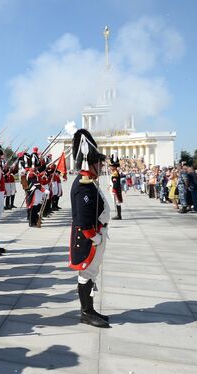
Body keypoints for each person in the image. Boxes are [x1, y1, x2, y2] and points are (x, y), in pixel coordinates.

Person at [68, 128, 110, 328]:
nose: (101, 165)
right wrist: (96, 238)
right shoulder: (83, 185)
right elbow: (84, 220)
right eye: (99, 162)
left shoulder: (90, 182)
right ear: (90, 162)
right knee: (86, 274)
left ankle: (90, 309)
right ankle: (86, 312)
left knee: (91, 274)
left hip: (96, 236)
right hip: (88, 239)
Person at [109, 155, 123, 219]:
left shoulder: (115, 173)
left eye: (111, 166)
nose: (110, 167)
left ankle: (119, 215)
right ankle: (118, 214)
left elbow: (116, 183)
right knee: (117, 202)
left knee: (117, 202)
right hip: (115, 188)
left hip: (116, 189)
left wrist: (114, 189)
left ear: (114, 167)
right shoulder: (115, 172)